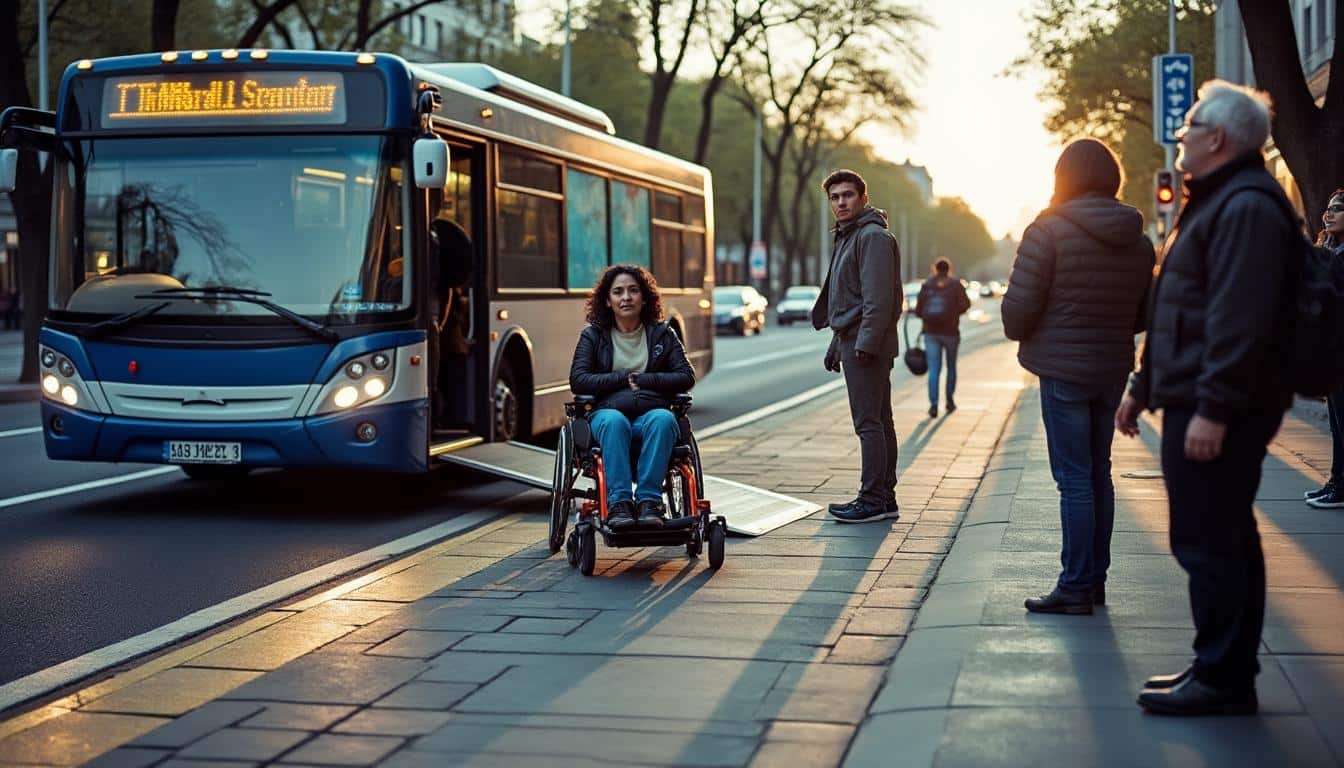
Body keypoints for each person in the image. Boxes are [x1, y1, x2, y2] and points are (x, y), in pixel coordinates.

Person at [1116, 81, 1299, 716]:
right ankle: (1218, 665)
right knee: (1220, 534)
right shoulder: (1222, 199)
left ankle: (1223, 677)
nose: (1181, 136)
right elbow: (1183, 307)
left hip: (1216, 405)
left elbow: (1237, 318)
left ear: (1217, 138)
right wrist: (1142, 387)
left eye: (1190, 126)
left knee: (1210, 538)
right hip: (1194, 394)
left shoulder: (1245, 206)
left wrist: (1215, 409)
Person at [1001, 138, 1155, 615]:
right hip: (1111, 367)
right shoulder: (1139, 237)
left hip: (1062, 370)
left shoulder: (1046, 231)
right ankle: (1094, 581)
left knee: (1073, 480)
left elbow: (1016, 314)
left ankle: (1074, 586)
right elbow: (1143, 313)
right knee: (1098, 474)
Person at [569, 264, 695, 529]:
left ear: (644, 297)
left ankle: (649, 502)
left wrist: (645, 380)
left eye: (633, 291)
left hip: (651, 412)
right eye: (618, 292)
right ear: (608, 300)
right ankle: (619, 504)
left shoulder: (663, 333)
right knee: (616, 423)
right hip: (607, 413)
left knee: (663, 420)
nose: (626, 297)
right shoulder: (592, 336)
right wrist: (621, 378)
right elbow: (578, 380)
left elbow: (686, 375)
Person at [811, 169, 902, 524]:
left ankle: (872, 499)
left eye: (847, 195)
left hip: (868, 343)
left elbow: (878, 300)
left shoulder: (872, 237)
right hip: (858, 339)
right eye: (834, 197)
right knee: (879, 420)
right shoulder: (850, 236)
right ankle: (884, 496)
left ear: (864, 198)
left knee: (869, 423)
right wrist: (838, 341)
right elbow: (850, 298)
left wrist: (864, 344)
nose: (840, 202)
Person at [1304, 188, 1344, 508]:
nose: (1329, 213)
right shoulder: (1329, 249)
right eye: (1328, 208)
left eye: (1338, 208)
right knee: (1336, 423)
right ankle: (1336, 481)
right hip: (1332, 350)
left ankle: (1340, 487)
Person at [915, 258, 972, 418]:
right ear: (949, 269)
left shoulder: (927, 285)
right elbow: (966, 304)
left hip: (931, 333)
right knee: (951, 367)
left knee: (934, 369)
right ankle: (949, 401)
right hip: (951, 333)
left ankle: (933, 405)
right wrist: (953, 313)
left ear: (935, 269)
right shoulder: (955, 285)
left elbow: (919, 311)